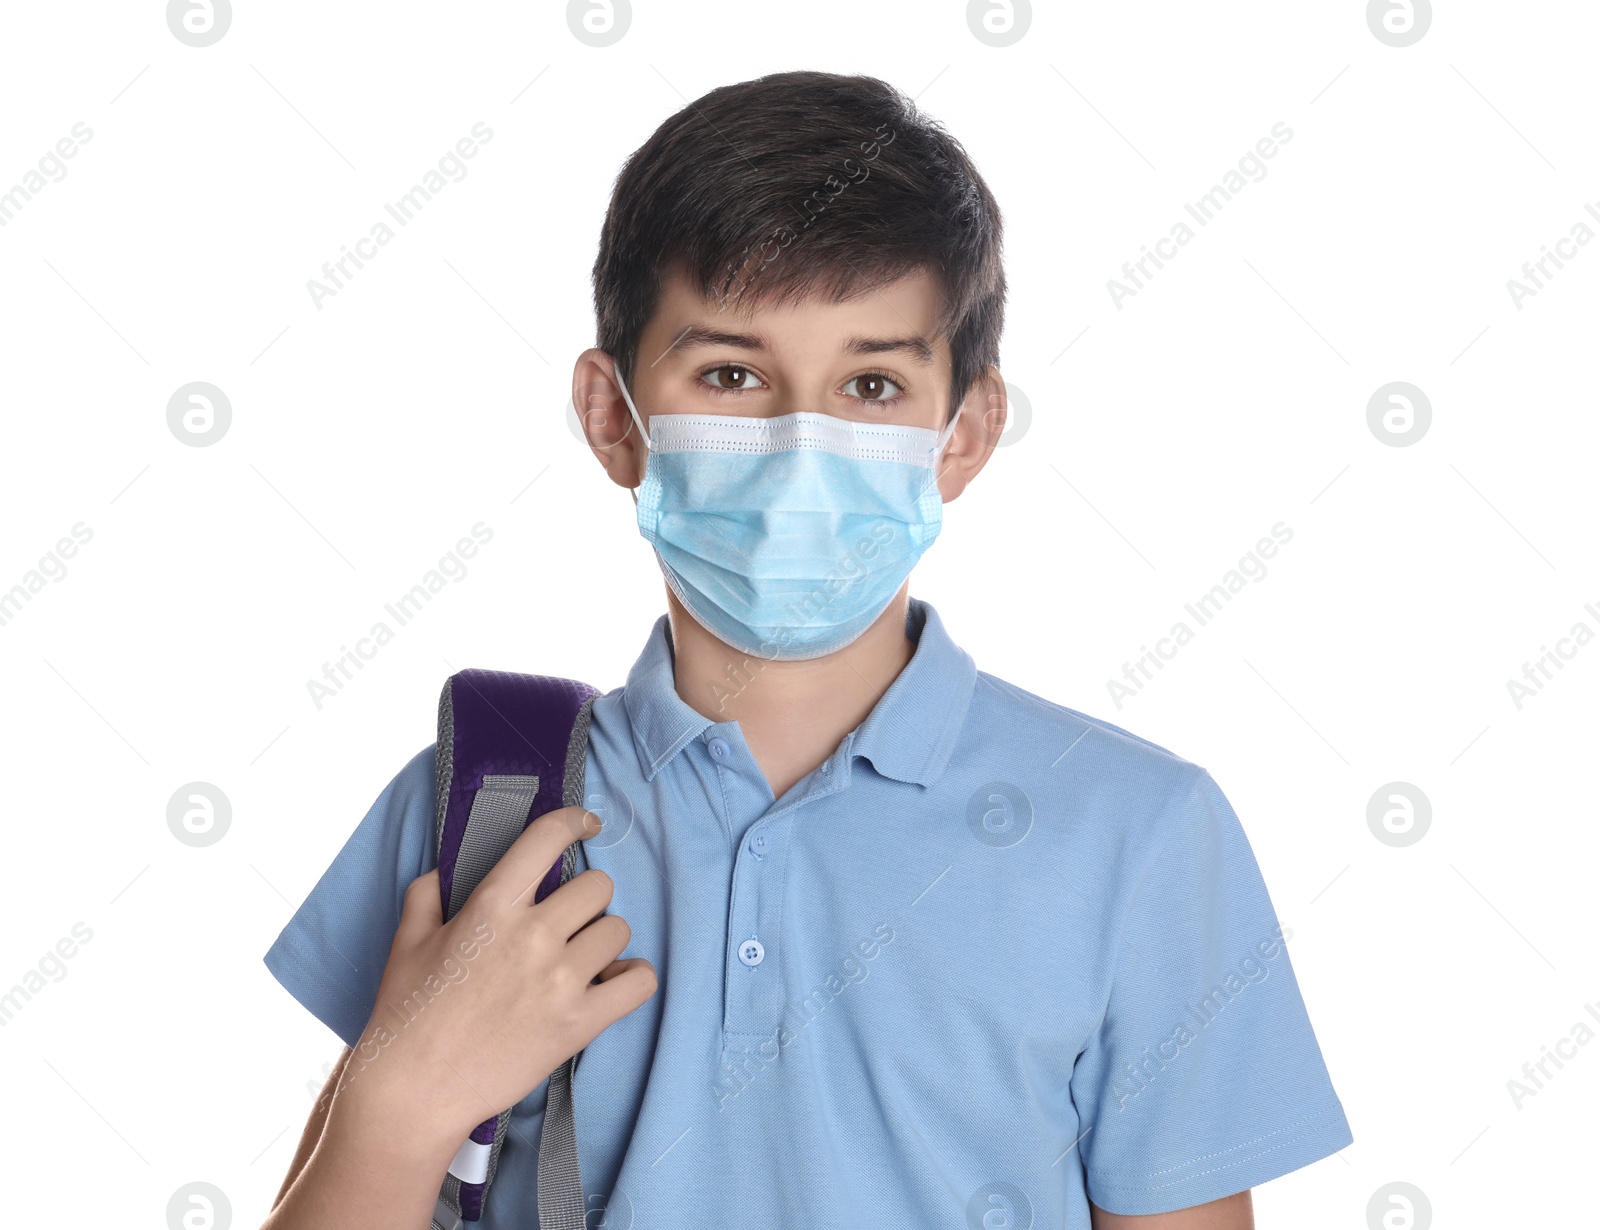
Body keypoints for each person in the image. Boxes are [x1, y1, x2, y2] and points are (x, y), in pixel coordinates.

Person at [260, 70, 1351, 1229]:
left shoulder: (1136, 834)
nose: (797, 443)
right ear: (613, 418)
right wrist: (402, 1101)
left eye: (871, 384)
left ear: (965, 433)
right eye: (730, 374)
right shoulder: (483, 802)